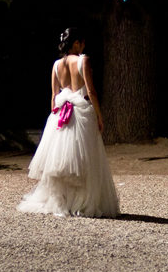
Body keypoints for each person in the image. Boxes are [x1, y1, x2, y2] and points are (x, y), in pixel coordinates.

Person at [18, 27, 120, 218]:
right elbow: (91, 91)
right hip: (81, 112)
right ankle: (82, 203)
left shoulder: (56, 65)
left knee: (61, 161)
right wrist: (99, 116)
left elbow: (53, 95)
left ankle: (64, 202)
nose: (83, 46)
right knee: (84, 159)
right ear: (76, 43)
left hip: (60, 115)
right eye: (82, 43)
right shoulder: (83, 60)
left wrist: (55, 117)